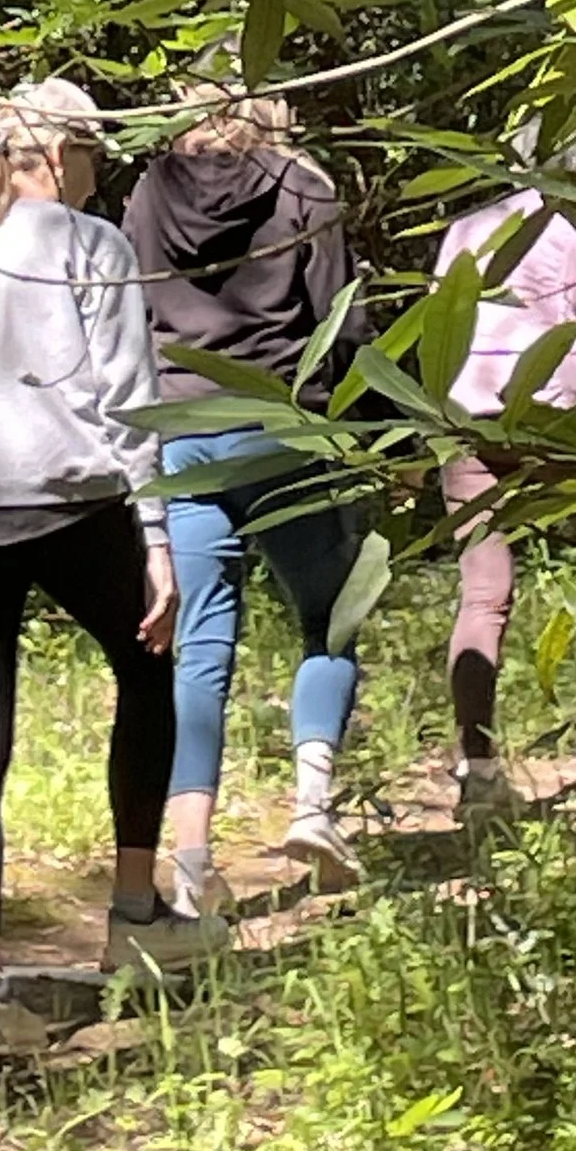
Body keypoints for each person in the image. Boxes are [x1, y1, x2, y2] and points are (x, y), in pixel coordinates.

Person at [0, 76, 223, 1056]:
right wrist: (157, 540)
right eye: (93, 157)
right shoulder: (89, 245)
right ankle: (134, 914)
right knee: (147, 669)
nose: (99, 176)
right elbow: (129, 398)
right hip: (70, 500)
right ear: (60, 154)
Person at [121, 91, 371, 904]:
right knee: (330, 616)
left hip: (183, 428)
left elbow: (130, 310)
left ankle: (191, 867)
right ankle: (313, 804)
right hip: (279, 423)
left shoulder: (148, 190)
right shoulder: (306, 188)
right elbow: (343, 320)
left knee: (199, 648)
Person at [434, 135, 576, 805]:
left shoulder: (468, 225)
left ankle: (478, 763)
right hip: (558, 415)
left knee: (484, 593)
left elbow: (440, 320)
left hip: (467, 414)